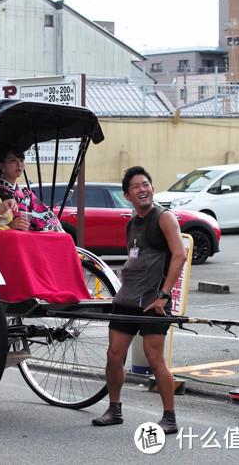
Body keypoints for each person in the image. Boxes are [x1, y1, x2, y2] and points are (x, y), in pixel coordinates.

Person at [92, 166, 187, 434]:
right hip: (127, 298)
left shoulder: (164, 218)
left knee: (154, 357)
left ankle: (169, 417)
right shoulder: (131, 223)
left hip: (153, 300)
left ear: (152, 189)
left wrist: (163, 296)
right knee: (113, 355)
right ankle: (114, 409)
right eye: (136, 186)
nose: (143, 189)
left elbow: (179, 255)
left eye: (146, 184)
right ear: (127, 196)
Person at [0, 147, 65, 232]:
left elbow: (44, 213)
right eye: (13, 160)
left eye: (21, 160)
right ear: (1, 165)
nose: (19, 164)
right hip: (5, 236)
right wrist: (8, 225)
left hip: (26, 235)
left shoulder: (26, 193)